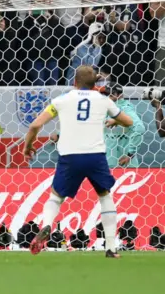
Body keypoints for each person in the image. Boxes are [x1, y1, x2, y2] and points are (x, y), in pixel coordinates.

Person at [23, 65, 133, 258]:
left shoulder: (61, 101)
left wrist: (27, 146)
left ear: (74, 81)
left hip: (69, 156)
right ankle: (110, 248)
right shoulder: (103, 100)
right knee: (105, 196)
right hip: (95, 156)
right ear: (95, 83)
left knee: (56, 197)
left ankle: (47, 225)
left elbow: (35, 125)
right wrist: (115, 120)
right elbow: (128, 121)